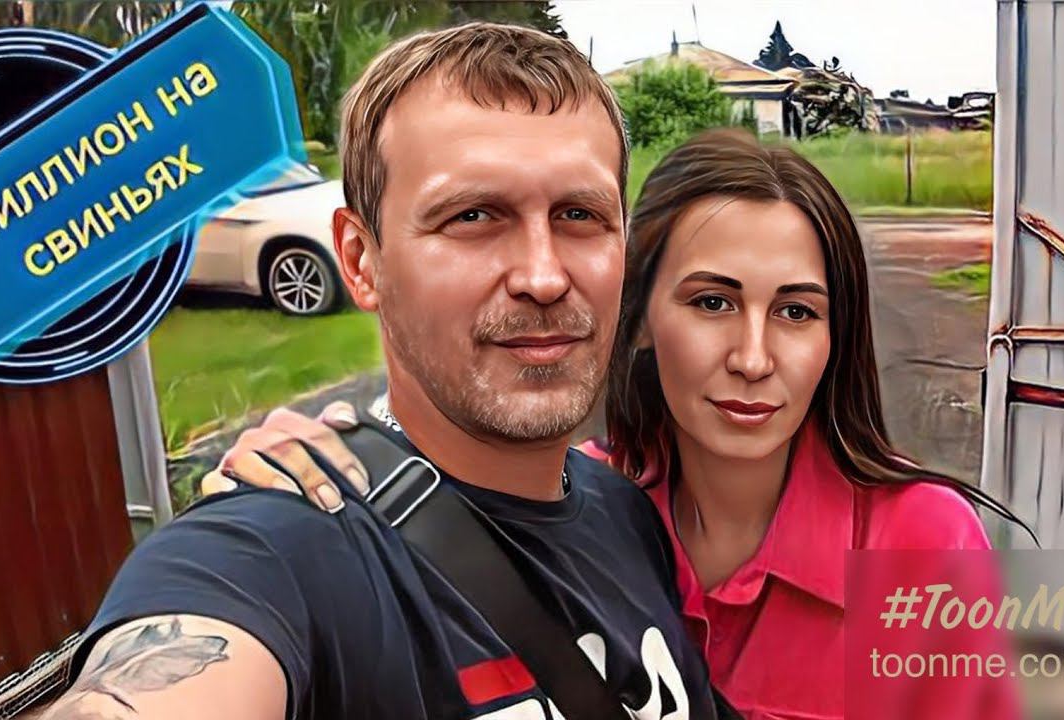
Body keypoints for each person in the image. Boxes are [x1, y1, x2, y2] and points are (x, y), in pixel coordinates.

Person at [43, 23, 724, 720]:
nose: (544, 277)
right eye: (473, 216)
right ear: (361, 260)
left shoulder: (627, 517)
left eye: (580, 214)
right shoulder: (277, 552)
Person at [222, 130, 1024, 719]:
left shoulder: (927, 541)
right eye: (712, 302)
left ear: (834, 337)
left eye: (796, 312)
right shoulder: (579, 502)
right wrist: (307, 474)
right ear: (635, 318)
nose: (753, 358)